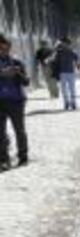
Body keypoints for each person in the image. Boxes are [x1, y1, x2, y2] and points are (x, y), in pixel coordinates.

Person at [0, 35, 29, 169]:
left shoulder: (16, 61)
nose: (3, 50)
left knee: (19, 130)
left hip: (16, 101)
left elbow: (26, 81)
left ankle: (23, 157)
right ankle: (4, 159)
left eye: (5, 47)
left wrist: (18, 73)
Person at [53, 38, 78, 111]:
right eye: (64, 43)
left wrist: (78, 68)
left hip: (71, 72)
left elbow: (76, 59)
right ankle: (66, 102)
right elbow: (55, 60)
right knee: (64, 89)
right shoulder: (59, 52)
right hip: (62, 72)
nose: (65, 45)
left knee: (72, 89)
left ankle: (73, 103)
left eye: (66, 43)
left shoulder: (72, 51)